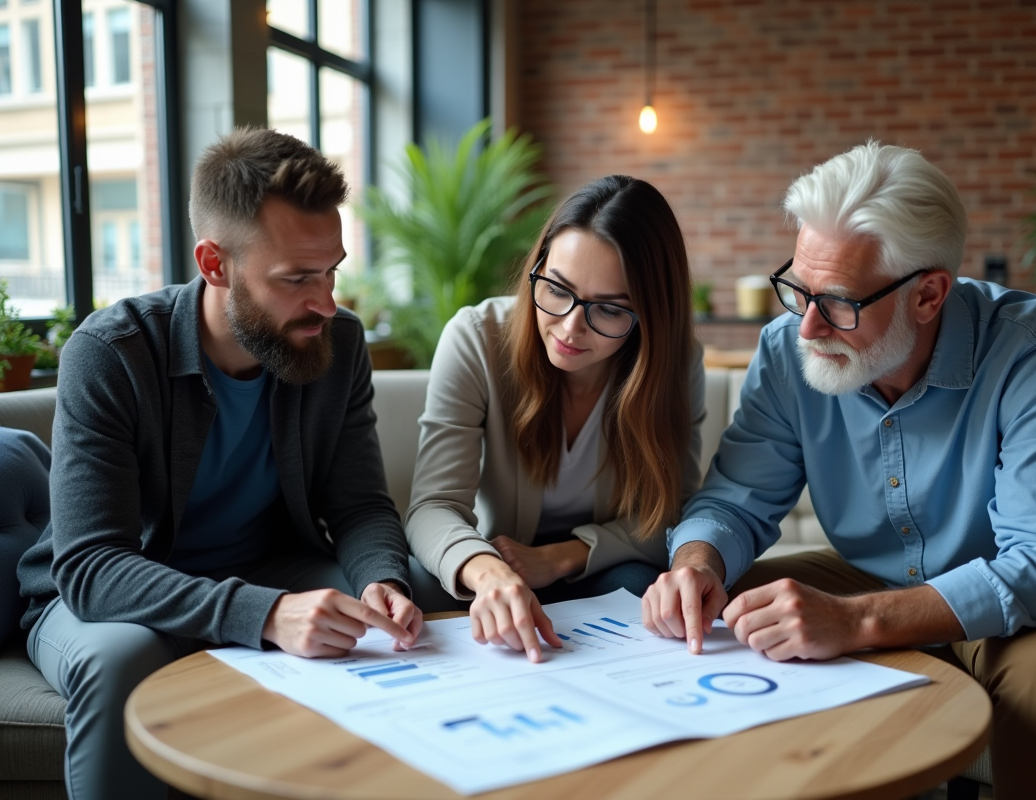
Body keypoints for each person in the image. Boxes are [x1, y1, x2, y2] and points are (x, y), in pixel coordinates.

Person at [641, 142, 1036, 799]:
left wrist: (856, 622)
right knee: (718, 615)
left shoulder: (1033, 350)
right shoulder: (785, 348)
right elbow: (737, 498)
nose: (807, 328)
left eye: (840, 303)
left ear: (929, 295)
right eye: (798, 289)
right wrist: (698, 565)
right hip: (873, 573)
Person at [17, 127, 422, 800]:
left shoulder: (337, 343)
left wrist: (384, 578)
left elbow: (359, 505)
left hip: (266, 564)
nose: (325, 301)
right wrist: (267, 615)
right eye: (296, 279)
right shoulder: (112, 353)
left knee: (417, 607)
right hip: (110, 596)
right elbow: (92, 567)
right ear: (214, 264)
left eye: (332, 271)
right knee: (122, 663)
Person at [406, 175, 705, 663]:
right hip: (499, 558)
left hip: (599, 567)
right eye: (557, 288)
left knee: (640, 590)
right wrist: (490, 573)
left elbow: (668, 514)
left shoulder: (674, 364)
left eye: (609, 309)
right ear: (538, 267)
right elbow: (433, 507)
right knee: (420, 588)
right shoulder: (477, 338)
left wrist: (560, 557)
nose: (569, 327)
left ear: (651, 316)